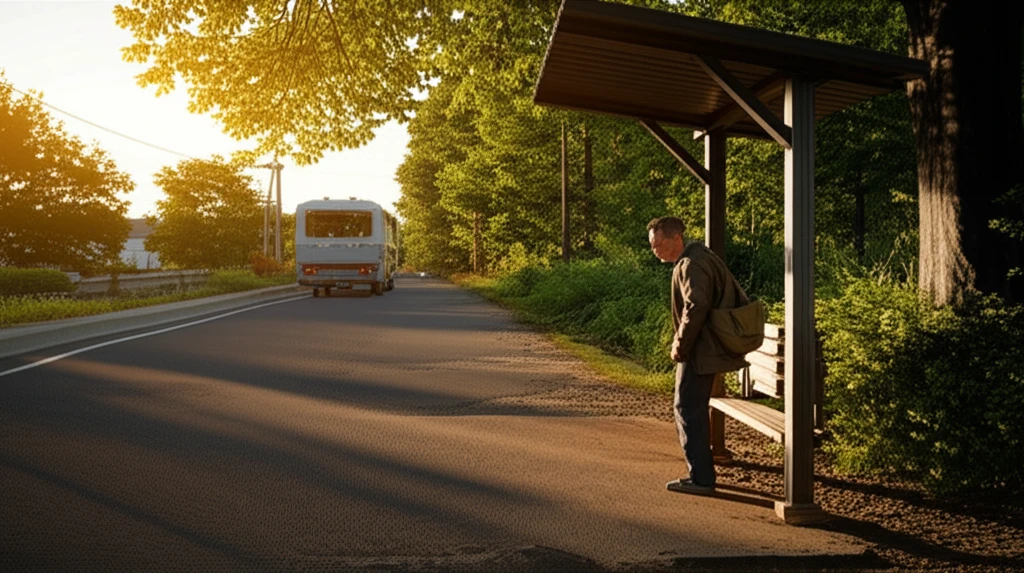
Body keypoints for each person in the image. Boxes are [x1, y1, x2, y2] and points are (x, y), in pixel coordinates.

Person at [647, 216, 750, 495]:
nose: (654, 249)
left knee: (687, 408)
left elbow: (696, 305)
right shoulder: (698, 256)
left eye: (657, 243)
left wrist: (680, 345)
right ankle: (701, 473)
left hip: (700, 350)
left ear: (675, 238)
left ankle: (701, 479)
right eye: (652, 245)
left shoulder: (692, 263)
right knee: (691, 407)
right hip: (706, 347)